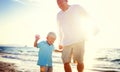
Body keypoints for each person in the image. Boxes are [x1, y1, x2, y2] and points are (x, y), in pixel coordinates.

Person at [56, 0, 99, 72]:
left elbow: (88, 16)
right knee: (65, 62)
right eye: (58, 3)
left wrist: (94, 27)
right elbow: (59, 29)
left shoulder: (76, 7)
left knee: (79, 61)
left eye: (61, 2)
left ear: (66, 1)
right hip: (66, 41)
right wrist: (60, 42)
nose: (59, 4)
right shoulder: (59, 15)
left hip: (79, 39)